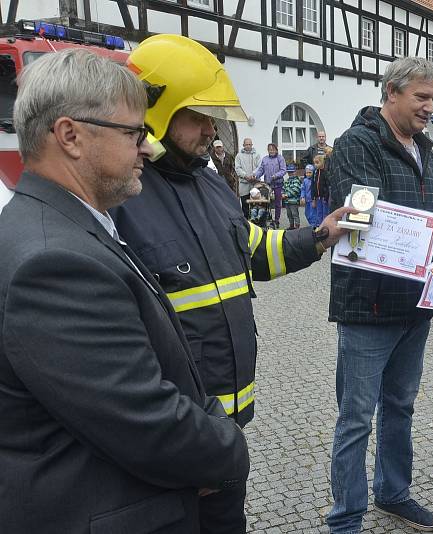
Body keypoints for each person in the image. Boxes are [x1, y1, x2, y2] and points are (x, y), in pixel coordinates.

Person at [0, 48, 250, 533]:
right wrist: (228, 448)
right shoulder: (54, 263)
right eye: (134, 133)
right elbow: (145, 423)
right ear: (70, 135)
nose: (148, 148)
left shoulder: (61, 224)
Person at [112, 34, 353, 534]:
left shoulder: (206, 180)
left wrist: (322, 235)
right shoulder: (121, 192)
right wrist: (179, 443)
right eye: (199, 116)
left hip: (225, 427)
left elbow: (253, 249)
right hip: (173, 434)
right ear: (157, 111)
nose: (212, 130)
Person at [326, 56, 433, 534]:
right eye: (421, 98)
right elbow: (365, 224)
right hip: (368, 306)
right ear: (391, 92)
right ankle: (344, 519)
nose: (429, 108)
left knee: (401, 405)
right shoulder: (357, 145)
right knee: (356, 418)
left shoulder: (426, 150)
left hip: (415, 305)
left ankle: (393, 492)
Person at [255, 142, 286, 228]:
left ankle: (276, 220)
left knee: (277, 203)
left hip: (278, 184)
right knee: (265, 202)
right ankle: (265, 219)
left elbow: (283, 170)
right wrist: (255, 175)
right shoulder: (265, 159)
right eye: (270, 149)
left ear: (276, 150)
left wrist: (276, 175)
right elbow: (261, 169)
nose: (271, 151)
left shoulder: (280, 158)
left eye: (273, 149)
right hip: (267, 184)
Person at [234, 137, 260, 217]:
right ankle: (246, 223)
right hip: (244, 184)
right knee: (245, 205)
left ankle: (254, 222)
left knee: (254, 205)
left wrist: (254, 175)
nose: (248, 146)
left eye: (249, 144)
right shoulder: (239, 156)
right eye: (246, 144)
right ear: (243, 145)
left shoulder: (256, 155)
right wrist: (245, 176)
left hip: (254, 184)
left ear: (252, 145)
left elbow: (259, 167)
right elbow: (237, 168)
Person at [312, 153, 331, 225]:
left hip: (324, 197)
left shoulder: (325, 173)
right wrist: (314, 197)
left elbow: (327, 186)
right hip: (318, 197)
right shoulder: (315, 173)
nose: (315, 165)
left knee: (325, 212)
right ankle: (319, 225)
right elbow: (314, 185)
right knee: (319, 212)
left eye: (317, 163)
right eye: (314, 163)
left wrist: (326, 197)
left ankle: (325, 225)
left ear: (322, 162)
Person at [283, 163, 303, 229]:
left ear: (295, 172)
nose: (290, 173)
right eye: (289, 172)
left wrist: (286, 195)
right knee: (289, 215)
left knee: (295, 214)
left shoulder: (297, 180)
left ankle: (297, 226)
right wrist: (282, 193)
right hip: (287, 202)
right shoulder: (286, 181)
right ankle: (291, 226)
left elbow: (295, 190)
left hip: (294, 202)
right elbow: (283, 188)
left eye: (292, 172)